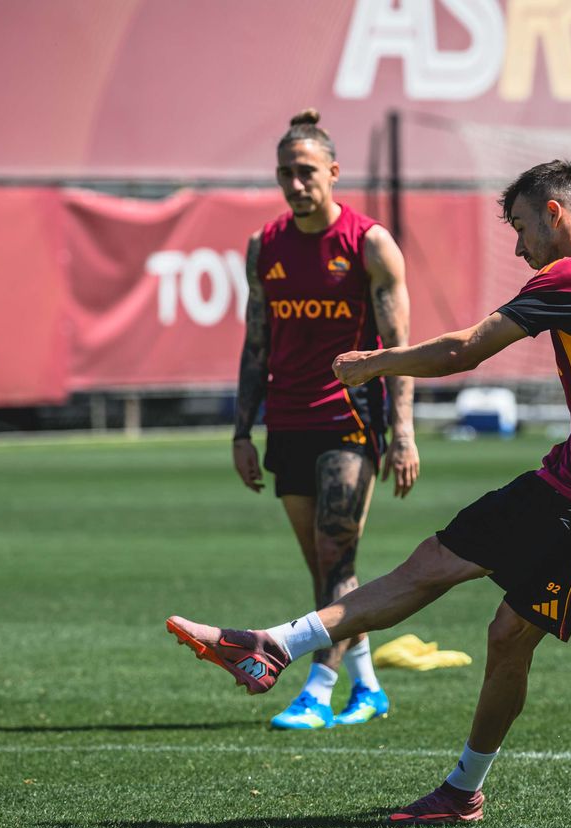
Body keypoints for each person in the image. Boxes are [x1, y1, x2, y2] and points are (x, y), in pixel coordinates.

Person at [169, 160, 571, 823]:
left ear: (554, 215)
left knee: (507, 634)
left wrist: (376, 363)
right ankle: (270, 648)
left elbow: (466, 351)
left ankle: (461, 791)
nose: (517, 245)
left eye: (522, 227)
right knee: (431, 563)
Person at [229, 109, 420, 731]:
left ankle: (318, 687)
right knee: (323, 567)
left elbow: (399, 347)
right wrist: (241, 431)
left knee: (336, 556)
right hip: (286, 421)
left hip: (349, 421)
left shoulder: (369, 244)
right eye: (285, 172)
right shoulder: (265, 246)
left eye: (306, 171)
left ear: (334, 173)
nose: (295, 183)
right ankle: (369, 688)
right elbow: (256, 344)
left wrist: (403, 433)